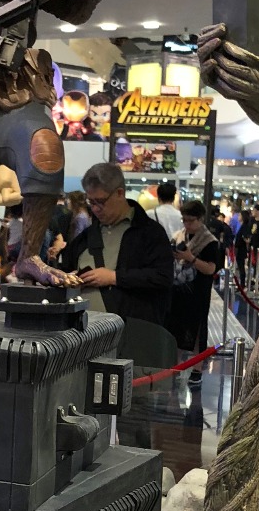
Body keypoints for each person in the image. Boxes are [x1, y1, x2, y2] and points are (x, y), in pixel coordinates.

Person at [58, 162, 172, 324]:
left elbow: (162, 277)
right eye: (91, 202)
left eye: (100, 201)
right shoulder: (86, 236)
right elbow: (66, 269)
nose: (95, 209)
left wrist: (114, 277)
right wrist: (70, 279)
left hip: (133, 331)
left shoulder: (150, 232)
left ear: (120, 193)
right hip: (86, 331)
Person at [168, 199, 225, 380]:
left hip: (198, 292)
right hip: (178, 290)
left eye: (191, 220)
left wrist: (190, 257)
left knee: (197, 330)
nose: (187, 224)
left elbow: (210, 269)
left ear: (200, 219)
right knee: (175, 328)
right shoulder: (179, 236)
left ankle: (197, 369)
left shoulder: (209, 241)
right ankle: (175, 367)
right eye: (184, 220)